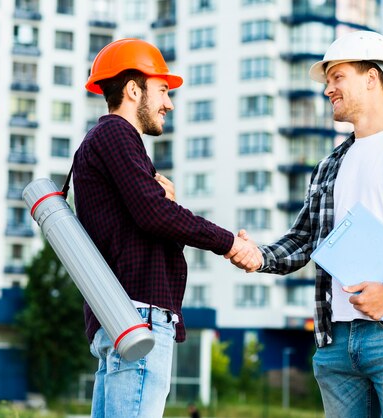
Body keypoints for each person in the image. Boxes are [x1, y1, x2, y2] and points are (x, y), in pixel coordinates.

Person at [232, 31, 383, 417]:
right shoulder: (329, 165)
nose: (328, 89)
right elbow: (304, 240)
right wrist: (258, 255)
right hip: (335, 341)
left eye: (337, 77)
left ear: (372, 77)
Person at [73, 38, 260, 418]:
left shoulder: (103, 143)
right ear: (132, 89)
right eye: (162, 90)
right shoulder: (116, 135)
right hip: (137, 316)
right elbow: (152, 215)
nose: (169, 103)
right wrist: (228, 243)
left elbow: (147, 219)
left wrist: (166, 207)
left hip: (120, 317)